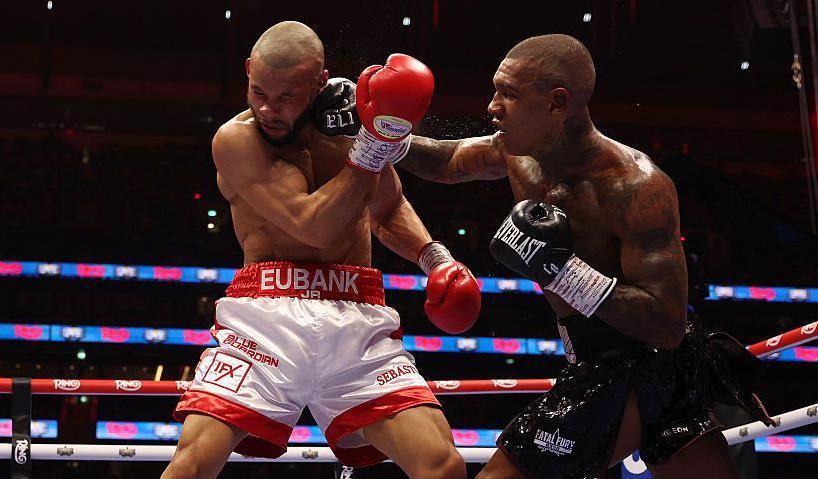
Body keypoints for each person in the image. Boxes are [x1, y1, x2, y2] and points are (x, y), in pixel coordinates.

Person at [394, 34, 774, 479]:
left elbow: (667, 324)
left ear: (557, 103)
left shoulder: (636, 186)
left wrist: (561, 271)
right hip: (600, 361)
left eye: (509, 95)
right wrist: (378, 135)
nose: (493, 106)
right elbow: (449, 160)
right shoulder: (519, 154)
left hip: (643, 365)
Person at [161, 21, 480, 479]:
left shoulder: (347, 129)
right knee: (193, 464)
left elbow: (387, 208)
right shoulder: (236, 140)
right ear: (248, 71)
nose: (269, 108)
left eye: (288, 96)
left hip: (356, 314)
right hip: (267, 318)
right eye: (258, 92)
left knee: (442, 465)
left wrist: (436, 259)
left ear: (319, 82)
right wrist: (374, 144)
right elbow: (314, 228)